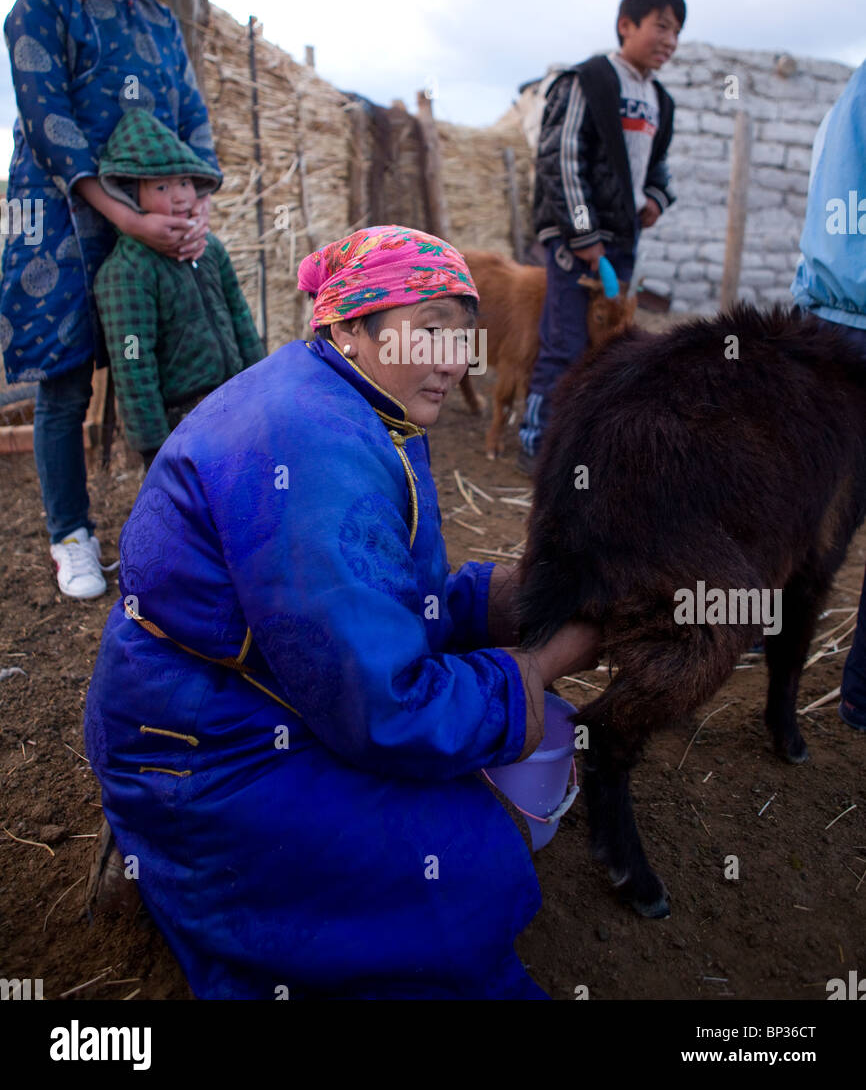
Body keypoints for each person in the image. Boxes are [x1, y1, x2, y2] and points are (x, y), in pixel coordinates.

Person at [83, 224, 602, 1000]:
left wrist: (509, 598)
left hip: (255, 693)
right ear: (352, 327)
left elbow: (379, 602)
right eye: (431, 332)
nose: (454, 361)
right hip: (203, 746)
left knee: (463, 811)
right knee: (464, 868)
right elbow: (381, 706)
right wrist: (544, 663)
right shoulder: (311, 442)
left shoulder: (346, 399)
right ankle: (167, 856)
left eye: (464, 339)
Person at [0, 0, 217, 599]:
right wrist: (124, 215)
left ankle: (176, 523)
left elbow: (192, 120)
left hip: (156, 225)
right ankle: (72, 535)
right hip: (64, 222)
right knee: (64, 383)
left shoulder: (160, 23)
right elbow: (50, 120)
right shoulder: (40, 10)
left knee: (169, 368)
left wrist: (196, 211)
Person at [517, 0, 686, 469]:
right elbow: (561, 159)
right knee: (565, 340)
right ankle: (538, 440)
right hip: (578, 243)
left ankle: (585, 445)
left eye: (676, 32)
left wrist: (655, 198)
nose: (669, 40)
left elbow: (659, 167)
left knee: (613, 346)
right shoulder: (587, 80)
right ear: (626, 25)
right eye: (661, 26)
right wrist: (584, 234)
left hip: (624, 241)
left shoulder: (660, 100)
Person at [93, 110, 264, 467]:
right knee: (194, 508)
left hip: (234, 397)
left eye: (185, 182)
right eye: (161, 187)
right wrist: (153, 445)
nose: (180, 196)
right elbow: (133, 361)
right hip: (183, 420)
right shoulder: (127, 272)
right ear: (129, 194)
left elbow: (239, 316)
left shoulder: (211, 249)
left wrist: (260, 380)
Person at [791, 58, 866, 733]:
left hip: (824, 321)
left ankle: (758, 629)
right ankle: (862, 695)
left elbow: (822, 201)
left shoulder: (849, 96)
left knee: (808, 509)